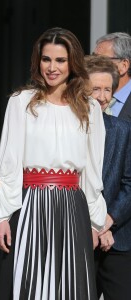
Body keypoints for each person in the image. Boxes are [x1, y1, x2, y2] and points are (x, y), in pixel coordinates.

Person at [0, 27, 106, 299]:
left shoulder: (90, 107)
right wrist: (2, 216)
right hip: (29, 205)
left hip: (72, 208)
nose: (52, 67)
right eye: (46, 59)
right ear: (37, 61)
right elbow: (8, 161)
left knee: (70, 287)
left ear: (72, 63)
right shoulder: (21, 103)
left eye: (60, 60)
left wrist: (95, 221)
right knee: (28, 285)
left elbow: (92, 168)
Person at [85, 55, 131, 300]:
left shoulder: (122, 130)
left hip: (117, 238)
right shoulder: (70, 131)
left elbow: (130, 183)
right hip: (79, 236)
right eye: (95, 89)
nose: (102, 97)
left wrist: (107, 222)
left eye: (107, 89)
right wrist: (93, 224)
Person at [94, 32, 131, 120]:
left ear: (123, 66)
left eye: (101, 60)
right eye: (93, 58)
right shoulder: (87, 95)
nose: (93, 65)